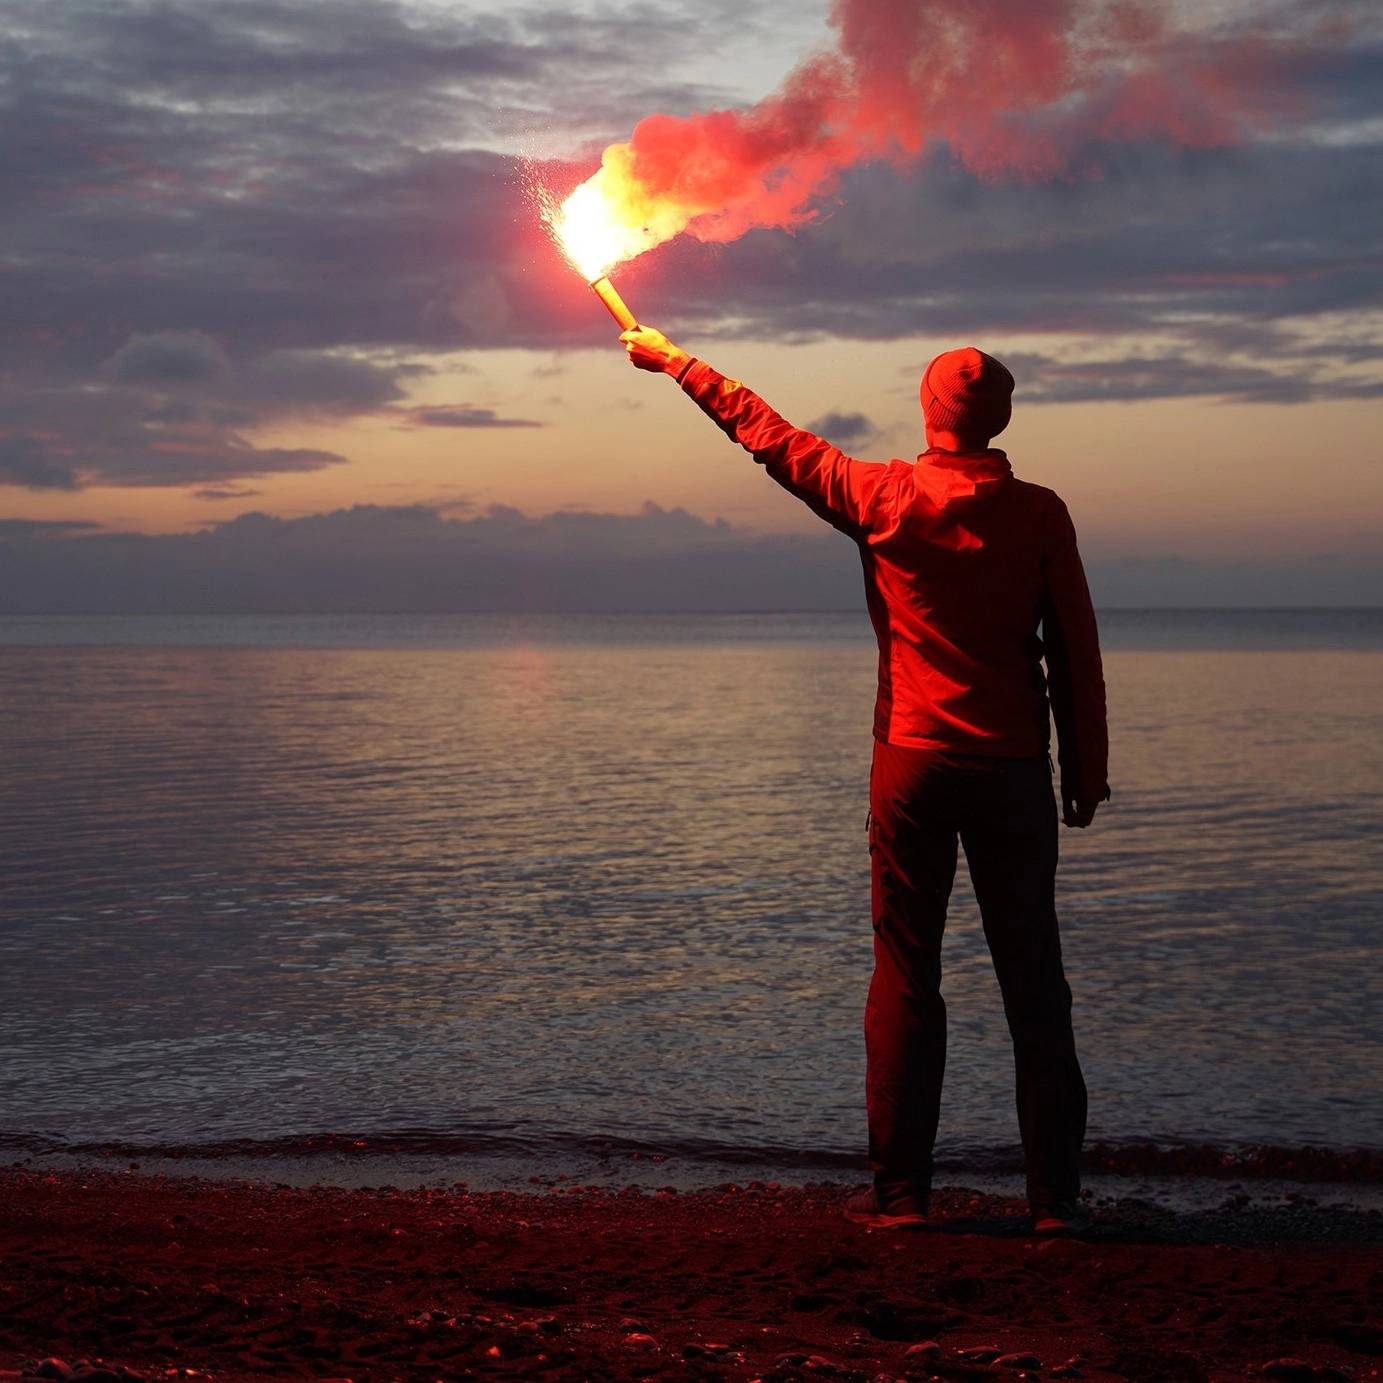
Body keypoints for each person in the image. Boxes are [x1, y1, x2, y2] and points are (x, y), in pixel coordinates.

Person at [622, 324, 1109, 1236]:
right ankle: (1055, 1204)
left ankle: (900, 1199)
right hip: (1010, 770)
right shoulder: (1040, 511)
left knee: (905, 972)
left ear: (929, 411)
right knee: (1034, 982)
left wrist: (679, 364)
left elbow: (764, 433)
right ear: (1000, 417)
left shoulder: (878, 493)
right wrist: (1087, 767)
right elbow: (1073, 646)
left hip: (912, 763)